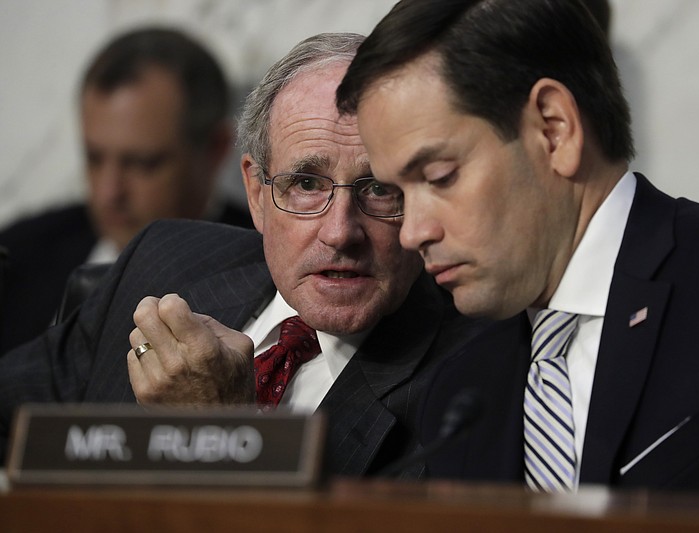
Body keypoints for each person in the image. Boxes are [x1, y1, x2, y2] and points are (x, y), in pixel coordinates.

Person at [336, 0, 699, 493]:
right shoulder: (461, 392)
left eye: (439, 177)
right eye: (396, 193)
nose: (412, 233)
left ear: (554, 129)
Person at [0, 32, 511, 478]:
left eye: (378, 188)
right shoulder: (163, 261)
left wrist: (226, 433)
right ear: (256, 192)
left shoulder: (470, 384)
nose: (339, 232)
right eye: (306, 183)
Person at [0, 27, 252, 355]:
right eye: (94, 158)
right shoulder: (22, 254)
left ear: (215, 149)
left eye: (142, 164)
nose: (108, 192)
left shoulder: (262, 266)